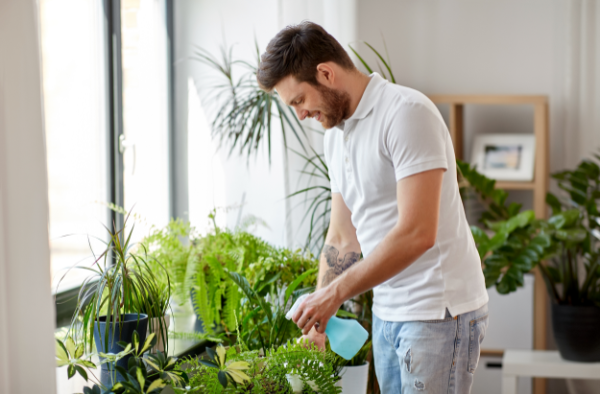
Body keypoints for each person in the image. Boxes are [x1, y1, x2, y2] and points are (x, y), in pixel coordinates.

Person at [257, 21, 489, 393]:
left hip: (437, 313)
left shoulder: (407, 114)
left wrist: (334, 295)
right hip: (387, 313)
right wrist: (320, 321)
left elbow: (417, 233)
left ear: (326, 73)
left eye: (299, 101)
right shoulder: (337, 137)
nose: (300, 115)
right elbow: (340, 238)